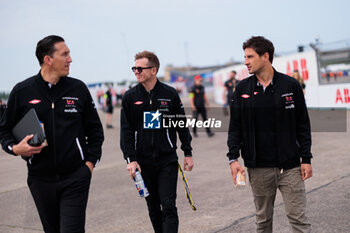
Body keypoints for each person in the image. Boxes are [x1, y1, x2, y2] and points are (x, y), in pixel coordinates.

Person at [0, 35, 104, 233]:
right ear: (48, 59)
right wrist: (15, 148)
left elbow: (96, 131)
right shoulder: (22, 91)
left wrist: (89, 164)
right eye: (64, 54)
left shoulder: (78, 88)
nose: (70, 59)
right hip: (40, 180)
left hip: (76, 177)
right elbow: (4, 129)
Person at [227, 36, 312, 233]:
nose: (246, 61)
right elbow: (235, 126)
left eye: (250, 56)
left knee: (299, 221)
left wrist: (306, 158)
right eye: (245, 56)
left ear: (265, 56)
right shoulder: (242, 88)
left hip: (290, 166)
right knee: (263, 222)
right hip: (259, 169)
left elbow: (303, 125)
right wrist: (233, 158)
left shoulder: (290, 85)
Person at [120, 50, 194, 233]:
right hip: (143, 163)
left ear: (153, 70)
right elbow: (126, 131)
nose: (136, 72)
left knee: (168, 205)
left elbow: (181, 125)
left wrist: (188, 152)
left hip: (166, 160)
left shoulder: (169, 94)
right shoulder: (130, 97)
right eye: (134, 68)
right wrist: (130, 159)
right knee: (153, 208)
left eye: (140, 68)